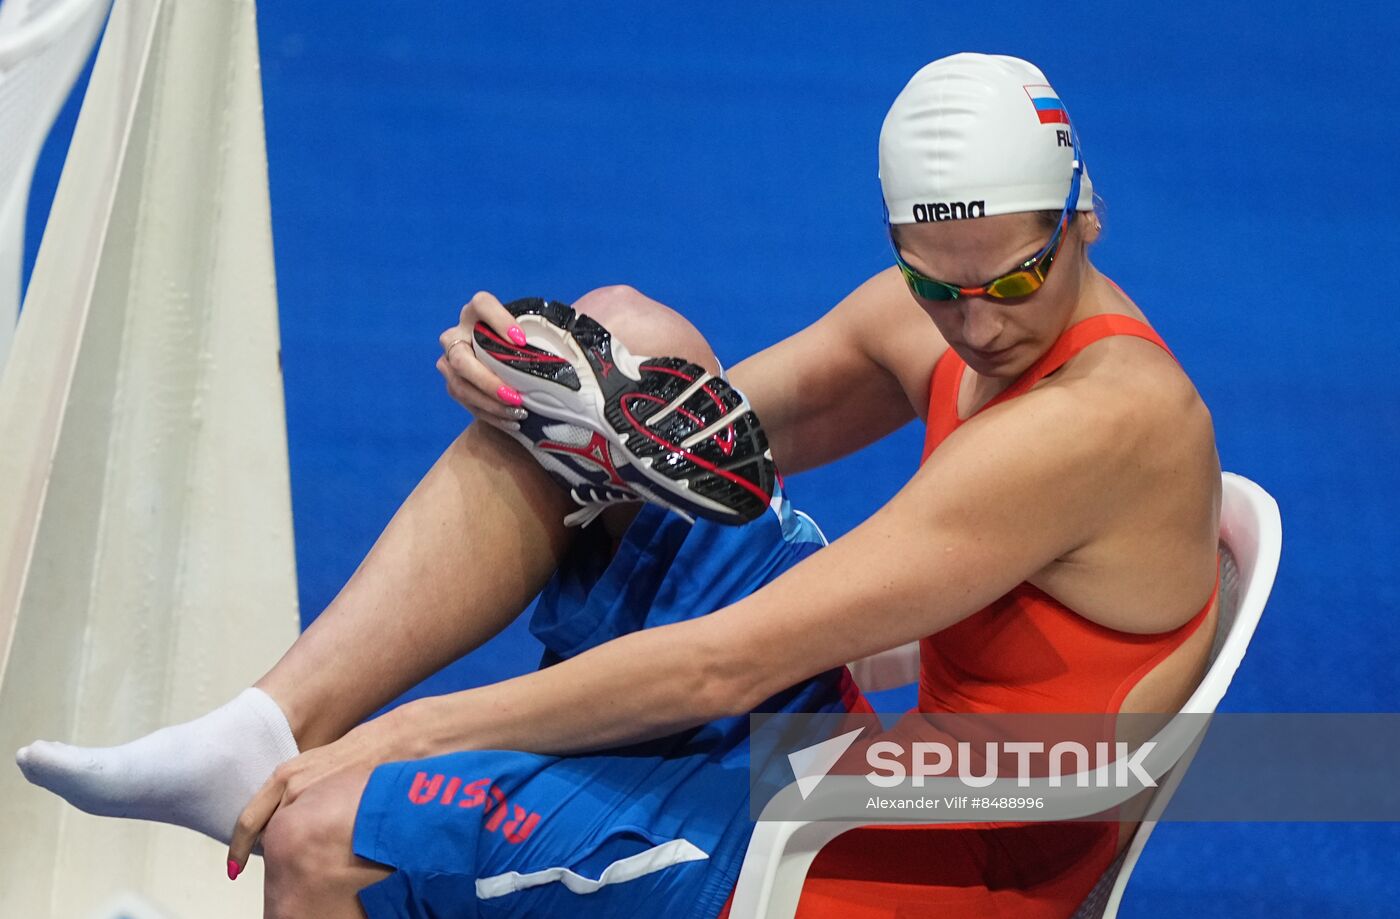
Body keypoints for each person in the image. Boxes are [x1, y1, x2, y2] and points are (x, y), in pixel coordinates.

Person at [18, 51, 1222, 918]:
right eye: (932, 284)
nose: (974, 325)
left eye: (1009, 282)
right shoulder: (958, 322)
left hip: (907, 859)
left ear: (1082, 215)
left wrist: (398, 738)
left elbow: (723, 664)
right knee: (617, 336)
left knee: (321, 836)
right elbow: (686, 433)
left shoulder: (1087, 426)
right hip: (869, 762)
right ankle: (263, 725)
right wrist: (548, 399)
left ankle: (321, 775)